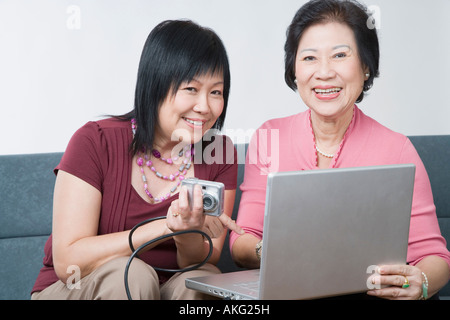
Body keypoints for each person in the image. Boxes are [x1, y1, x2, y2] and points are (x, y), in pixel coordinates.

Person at [230, 0, 450, 300]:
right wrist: (271, 252)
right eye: (309, 58)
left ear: (365, 66)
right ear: (294, 69)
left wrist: (420, 282)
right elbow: (243, 239)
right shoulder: (270, 136)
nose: (324, 72)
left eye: (340, 55)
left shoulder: (397, 149)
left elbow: (436, 257)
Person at [31, 19, 243, 300]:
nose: (205, 107)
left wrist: (186, 232)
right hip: (80, 287)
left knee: (199, 283)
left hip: (163, 289)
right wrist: (166, 226)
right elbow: (69, 261)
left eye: (216, 92)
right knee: (132, 276)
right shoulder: (95, 141)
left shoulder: (219, 153)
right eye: (191, 89)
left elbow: (203, 259)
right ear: (155, 84)